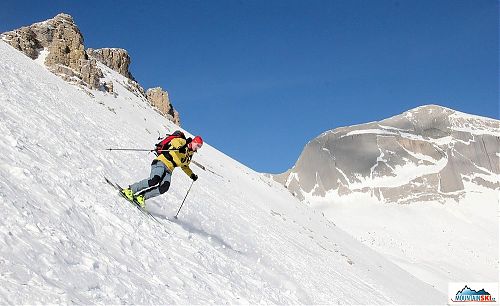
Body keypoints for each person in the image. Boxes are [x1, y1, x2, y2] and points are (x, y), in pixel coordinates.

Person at [121, 135, 203, 208]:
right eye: (198, 145)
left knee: (164, 187)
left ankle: (141, 197)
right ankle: (130, 190)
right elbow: (174, 141)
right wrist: (179, 147)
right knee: (154, 180)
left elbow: (185, 166)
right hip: (161, 162)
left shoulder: (190, 155)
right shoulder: (184, 142)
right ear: (194, 141)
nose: (198, 147)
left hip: (169, 170)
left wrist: (192, 175)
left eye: (200, 147)